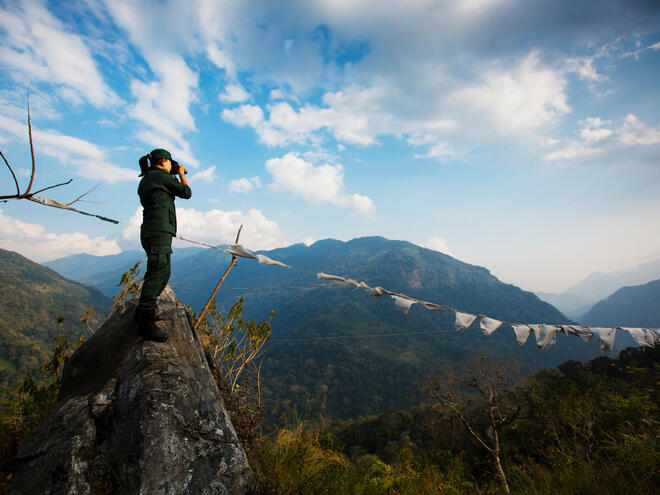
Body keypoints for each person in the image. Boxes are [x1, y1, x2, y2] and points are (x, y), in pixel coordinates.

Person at [133, 148, 191, 342]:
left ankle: (142, 314)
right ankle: (146, 323)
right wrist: (181, 174)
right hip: (159, 231)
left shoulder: (148, 179)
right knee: (159, 272)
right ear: (165, 160)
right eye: (170, 163)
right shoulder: (160, 177)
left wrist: (172, 173)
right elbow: (186, 192)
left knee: (157, 271)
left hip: (151, 230)